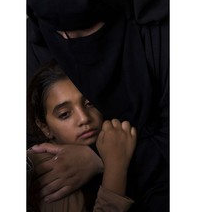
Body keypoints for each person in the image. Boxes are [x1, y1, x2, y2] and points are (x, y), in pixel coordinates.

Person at [27, 0, 169, 211]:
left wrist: (99, 159)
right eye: (63, 34)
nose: (83, 118)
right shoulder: (35, 49)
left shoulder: (158, 36)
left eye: (88, 29)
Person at [27, 60, 137, 211]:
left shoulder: (119, 135)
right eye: (65, 114)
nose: (84, 118)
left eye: (89, 103)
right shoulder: (48, 169)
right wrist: (115, 165)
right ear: (44, 127)